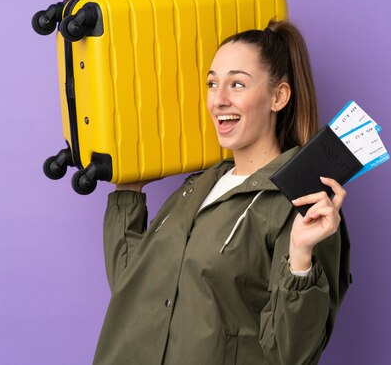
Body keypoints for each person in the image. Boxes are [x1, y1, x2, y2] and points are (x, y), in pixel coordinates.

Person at [93, 20, 351, 365]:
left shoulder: (303, 204)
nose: (219, 99)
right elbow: (134, 290)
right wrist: (128, 193)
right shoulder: (196, 188)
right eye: (212, 83)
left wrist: (301, 258)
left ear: (278, 97)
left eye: (237, 84)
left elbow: (294, 355)